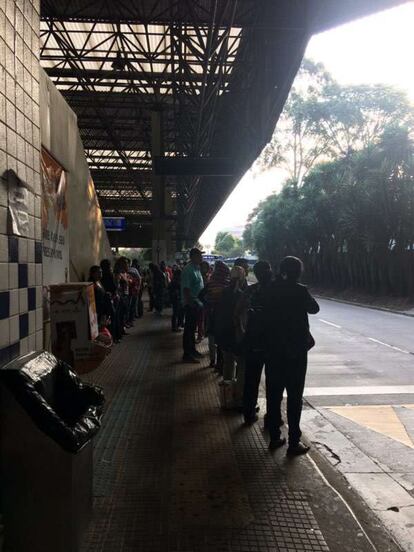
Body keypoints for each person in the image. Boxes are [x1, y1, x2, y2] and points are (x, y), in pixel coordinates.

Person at [264, 256, 319, 455]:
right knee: (295, 397)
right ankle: (294, 442)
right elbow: (314, 309)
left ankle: (275, 437)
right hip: (296, 351)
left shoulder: (271, 289)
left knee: (273, 394)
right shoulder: (300, 291)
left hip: (273, 349)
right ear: (297, 272)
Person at [242, 261, 283, 425]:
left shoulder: (250, 291)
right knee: (274, 383)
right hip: (274, 343)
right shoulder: (277, 291)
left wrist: (243, 331)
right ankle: (273, 417)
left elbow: (239, 311)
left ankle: (249, 413)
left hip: (253, 342)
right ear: (269, 271)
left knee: (251, 380)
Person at [215, 265, 247, 409]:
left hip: (223, 334)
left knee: (227, 365)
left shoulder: (223, 292)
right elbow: (242, 318)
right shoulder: (241, 294)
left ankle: (226, 398)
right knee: (241, 366)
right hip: (237, 335)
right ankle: (238, 398)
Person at [201, 260, 230, 369]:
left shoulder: (210, 282)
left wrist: (208, 304)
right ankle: (220, 363)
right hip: (223, 316)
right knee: (221, 340)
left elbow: (202, 296)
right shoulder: (227, 283)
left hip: (211, 314)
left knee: (212, 338)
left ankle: (213, 360)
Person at [181, 247, 204, 363]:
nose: (202, 257)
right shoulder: (188, 270)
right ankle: (187, 354)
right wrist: (192, 303)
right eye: (199, 255)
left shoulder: (197, 268)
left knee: (192, 329)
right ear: (193, 257)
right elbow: (186, 289)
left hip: (197, 303)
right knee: (189, 330)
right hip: (191, 304)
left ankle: (192, 350)